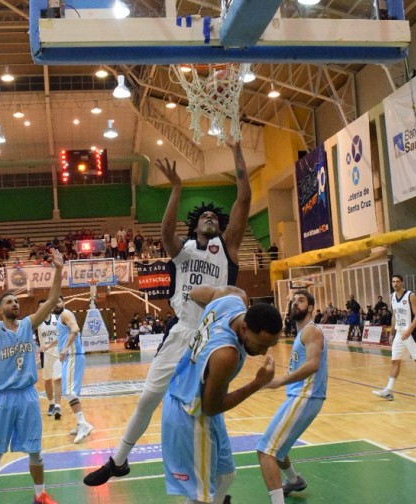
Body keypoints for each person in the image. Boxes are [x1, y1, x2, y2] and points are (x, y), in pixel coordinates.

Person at [84, 139, 251, 486]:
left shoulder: (228, 249)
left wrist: (236, 154)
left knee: (207, 409)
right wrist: (176, 188)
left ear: (219, 227)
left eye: (213, 217)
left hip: (212, 336)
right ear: (195, 226)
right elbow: (163, 232)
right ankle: (118, 460)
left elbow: (244, 199)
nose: (209, 217)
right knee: (149, 396)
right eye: (203, 215)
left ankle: (217, 484)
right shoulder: (184, 250)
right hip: (181, 330)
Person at [162, 285, 281, 503]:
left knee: (226, 475)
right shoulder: (227, 355)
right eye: (261, 344)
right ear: (244, 329)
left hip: (199, 401)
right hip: (191, 411)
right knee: (202, 496)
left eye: (271, 345)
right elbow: (211, 406)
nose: (264, 351)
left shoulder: (233, 299)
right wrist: (258, 383)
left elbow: (196, 292)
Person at [0, 251, 64, 504]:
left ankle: (40, 494)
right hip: (3, 397)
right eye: (8, 302)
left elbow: (53, 300)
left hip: (28, 395)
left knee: (35, 450)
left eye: (16, 301)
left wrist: (58, 270)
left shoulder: (28, 324)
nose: (14, 304)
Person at [256, 290, 327, 504]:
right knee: (277, 447)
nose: (296, 303)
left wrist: (280, 380)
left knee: (265, 450)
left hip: (306, 396)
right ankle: (294, 480)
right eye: (294, 300)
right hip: (300, 396)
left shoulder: (311, 331)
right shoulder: (301, 332)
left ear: (311, 308)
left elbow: (313, 365)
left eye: (301, 300)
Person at [373, 275, 416, 401]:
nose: (395, 284)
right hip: (399, 334)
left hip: (411, 332)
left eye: (397, 281)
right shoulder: (392, 297)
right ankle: (388, 390)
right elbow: (394, 316)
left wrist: (409, 329)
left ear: (402, 282)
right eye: (393, 282)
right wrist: (391, 333)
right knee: (395, 361)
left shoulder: (410, 295)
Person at [55, 295, 94, 443]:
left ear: (63, 302)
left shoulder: (65, 313)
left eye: (59, 301)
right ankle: (80, 424)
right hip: (70, 357)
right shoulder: (59, 319)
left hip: (72, 356)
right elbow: (62, 337)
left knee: (69, 392)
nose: (56, 304)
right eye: (54, 302)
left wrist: (64, 349)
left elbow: (75, 329)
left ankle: (83, 424)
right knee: (71, 392)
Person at [37, 299, 62, 420]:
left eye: (44, 306)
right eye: (40, 307)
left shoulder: (57, 319)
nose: (43, 309)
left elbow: (61, 336)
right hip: (44, 355)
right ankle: (51, 403)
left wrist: (50, 345)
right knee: (47, 380)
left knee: (57, 379)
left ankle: (58, 405)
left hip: (57, 352)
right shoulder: (36, 321)